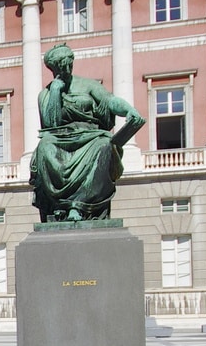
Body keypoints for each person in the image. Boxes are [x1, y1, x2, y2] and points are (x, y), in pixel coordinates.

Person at [29, 43, 145, 222]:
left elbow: (109, 101)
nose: (66, 69)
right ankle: (62, 205)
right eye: (61, 66)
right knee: (45, 147)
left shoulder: (88, 85)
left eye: (69, 64)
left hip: (90, 134)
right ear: (53, 68)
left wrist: (128, 110)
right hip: (59, 136)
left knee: (104, 145)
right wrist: (55, 91)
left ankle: (79, 205)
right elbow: (50, 123)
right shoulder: (45, 93)